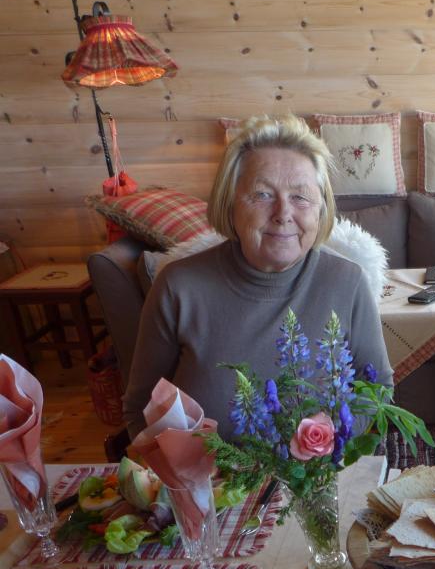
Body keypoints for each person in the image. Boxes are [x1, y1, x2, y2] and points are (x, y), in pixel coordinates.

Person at [123, 114, 393, 438]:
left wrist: (330, 445)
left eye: (300, 196)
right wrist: (179, 467)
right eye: (262, 194)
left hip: (317, 470)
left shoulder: (347, 282)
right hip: (206, 471)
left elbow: (376, 387)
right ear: (230, 203)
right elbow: (140, 408)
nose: (283, 214)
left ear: (321, 208)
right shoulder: (178, 287)